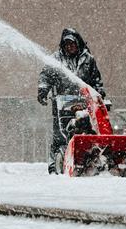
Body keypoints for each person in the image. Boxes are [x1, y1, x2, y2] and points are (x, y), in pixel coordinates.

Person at [38, 28, 106, 174]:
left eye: (72, 43)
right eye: (66, 44)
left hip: (85, 103)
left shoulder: (88, 59)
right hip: (62, 103)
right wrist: (43, 90)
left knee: (87, 130)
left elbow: (96, 81)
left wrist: (99, 93)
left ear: (78, 43)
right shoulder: (56, 59)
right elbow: (45, 76)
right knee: (60, 135)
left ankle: (89, 157)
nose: (69, 47)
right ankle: (55, 163)